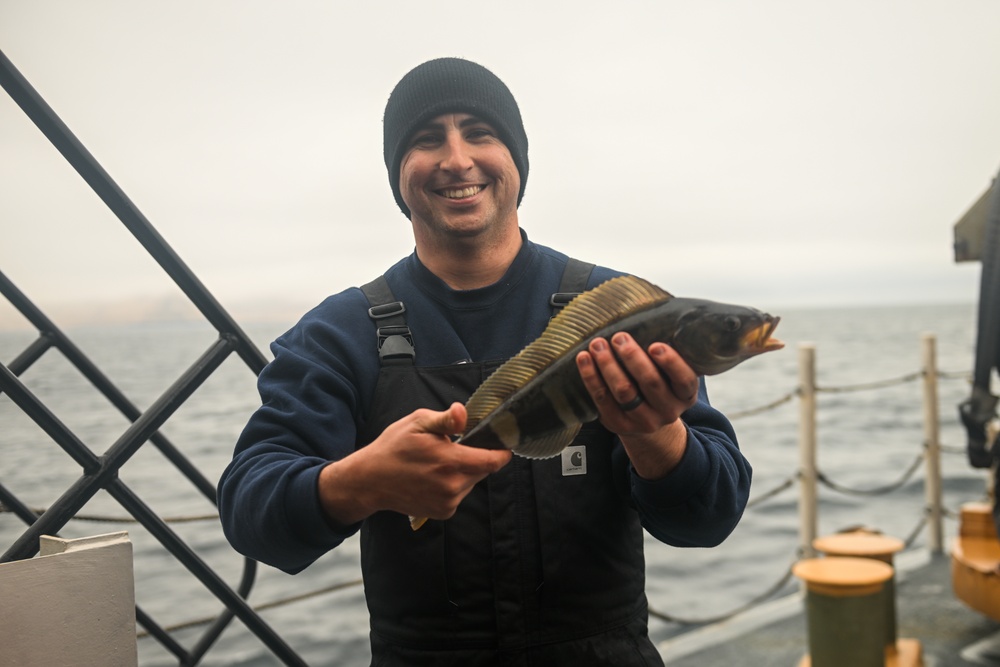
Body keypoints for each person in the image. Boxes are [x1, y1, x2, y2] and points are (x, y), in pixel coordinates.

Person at [218, 57, 752, 666]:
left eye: (480, 131)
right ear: (399, 175)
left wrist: (655, 431)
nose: (456, 158)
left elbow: (709, 519)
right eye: (426, 140)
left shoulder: (623, 316)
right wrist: (358, 481)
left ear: (516, 161)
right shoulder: (337, 334)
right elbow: (248, 511)